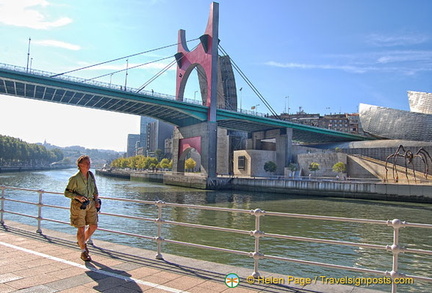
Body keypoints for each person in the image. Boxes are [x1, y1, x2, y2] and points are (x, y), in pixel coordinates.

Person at [65, 155, 101, 261]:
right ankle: (83, 252)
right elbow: (66, 192)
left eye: (89, 163)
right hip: (79, 206)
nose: (88, 165)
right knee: (81, 228)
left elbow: (95, 189)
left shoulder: (91, 175)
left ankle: (81, 242)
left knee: (93, 226)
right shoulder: (74, 179)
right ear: (80, 165)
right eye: (86, 163)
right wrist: (77, 197)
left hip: (90, 204)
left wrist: (96, 200)